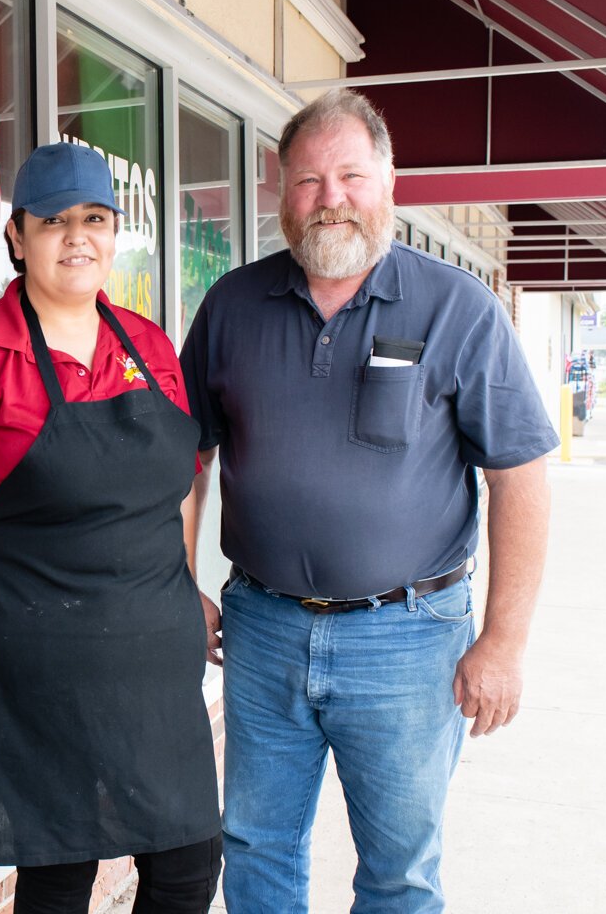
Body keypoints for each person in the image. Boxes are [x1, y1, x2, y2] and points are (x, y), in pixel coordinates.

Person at [180, 89, 556, 914]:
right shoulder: (232, 307)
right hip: (263, 630)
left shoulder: (458, 308)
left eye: (351, 175)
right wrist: (181, 585)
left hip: (409, 640)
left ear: (390, 180)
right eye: (309, 181)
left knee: (399, 872)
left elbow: (520, 475)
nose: (331, 198)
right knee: (254, 848)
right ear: (282, 194)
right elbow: (184, 457)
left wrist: (502, 641)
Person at [0, 142, 223, 914]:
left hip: (156, 678)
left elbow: (174, 492)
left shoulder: (151, 347)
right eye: (54, 222)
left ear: (115, 233)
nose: (78, 237)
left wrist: (188, 588)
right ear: (17, 236)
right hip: (40, 679)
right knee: (59, 876)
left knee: (187, 868)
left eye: (95, 219)